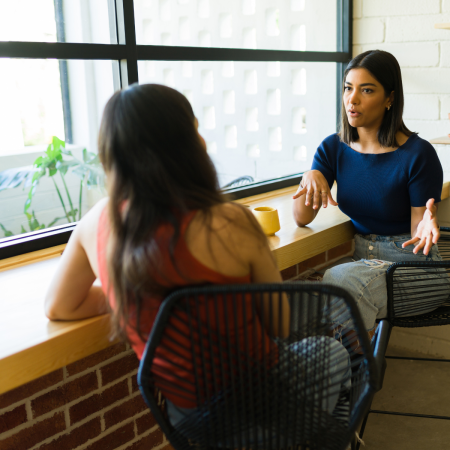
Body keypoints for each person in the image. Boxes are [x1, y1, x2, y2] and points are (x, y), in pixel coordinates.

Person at [45, 84, 351, 443]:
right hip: (266, 399)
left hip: (191, 421)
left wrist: (130, 291)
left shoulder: (94, 224)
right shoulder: (231, 220)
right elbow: (279, 324)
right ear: (190, 145)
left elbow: (59, 306)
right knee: (334, 352)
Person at [292, 50, 449, 335]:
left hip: (414, 270)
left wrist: (425, 221)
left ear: (390, 98)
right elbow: (302, 218)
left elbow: (418, 240)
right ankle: (354, 369)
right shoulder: (332, 148)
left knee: (341, 280)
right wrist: (310, 176)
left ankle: (350, 373)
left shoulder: (417, 154)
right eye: (348, 88)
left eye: (366, 90)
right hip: (364, 263)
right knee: (323, 290)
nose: (352, 99)